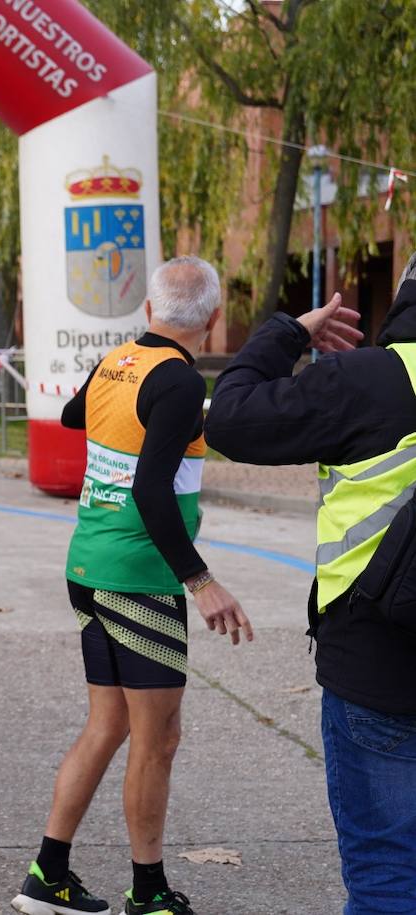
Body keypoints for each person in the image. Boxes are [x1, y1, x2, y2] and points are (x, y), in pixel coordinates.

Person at [10, 256, 254, 915]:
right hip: (140, 579)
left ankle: (47, 875)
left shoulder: (119, 360)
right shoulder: (177, 381)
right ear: (212, 319)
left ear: (149, 311)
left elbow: (70, 414)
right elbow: (151, 489)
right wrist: (200, 581)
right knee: (158, 738)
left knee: (109, 723)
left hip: (89, 566)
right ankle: (147, 892)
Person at [204, 270, 411, 915]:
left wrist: (287, 332)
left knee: (387, 876)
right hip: (377, 666)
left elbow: (229, 420)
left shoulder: (367, 380)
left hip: (378, 665)